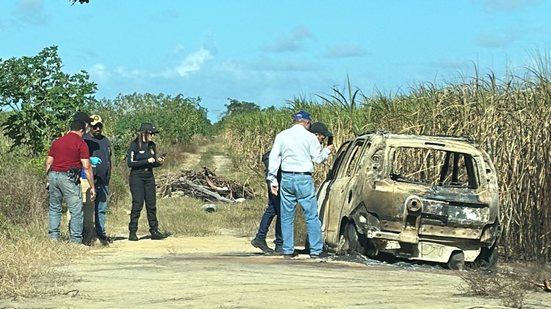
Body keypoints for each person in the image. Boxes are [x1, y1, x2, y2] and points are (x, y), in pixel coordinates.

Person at [251, 122, 333, 255]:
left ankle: (286, 248)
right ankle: (316, 250)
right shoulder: (309, 138)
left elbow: (274, 156)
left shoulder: (284, 136)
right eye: (322, 138)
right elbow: (318, 159)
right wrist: (327, 150)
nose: (322, 141)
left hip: (285, 177)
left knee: (284, 214)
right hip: (301, 178)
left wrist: (272, 179)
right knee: (311, 215)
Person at [45, 119, 96, 244]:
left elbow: (49, 162)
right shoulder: (81, 143)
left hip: (53, 175)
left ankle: (53, 238)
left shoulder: (57, 142)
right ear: (82, 130)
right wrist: (92, 186)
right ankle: (76, 240)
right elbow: (87, 166)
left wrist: (47, 179)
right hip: (68, 177)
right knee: (76, 209)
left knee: (55, 208)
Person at [126, 122, 169, 241]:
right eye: (151, 133)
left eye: (154, 134)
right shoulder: (134, 145)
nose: (153, 136)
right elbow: (130, 163)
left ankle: (154, 230)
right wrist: (146, 161)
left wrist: (158, 162)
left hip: (149, 176)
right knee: (137, 203)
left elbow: (152, 163)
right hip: (137, 176)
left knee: (151, 205)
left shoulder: (151, 145)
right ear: (144, 133)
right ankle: (133, 231)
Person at [82, 114, 112, 245]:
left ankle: (101, 234)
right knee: (87, 209)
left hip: (103, 180)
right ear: (90, 127)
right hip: (88, 181)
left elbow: (108, 159)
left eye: (100, 126)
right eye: (95, 127)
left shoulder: (105, 141)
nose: (98, 129)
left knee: (101, 209)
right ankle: (87, 236)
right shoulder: (84, 140)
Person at [250, 151, 283, 254]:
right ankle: (279, 244)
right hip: (276, 177)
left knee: (272, 209)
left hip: (272, 177)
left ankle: (260, 238)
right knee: (282, 211)